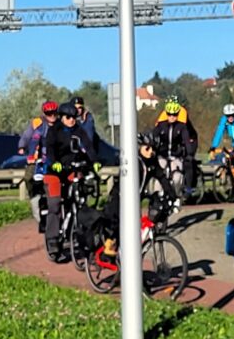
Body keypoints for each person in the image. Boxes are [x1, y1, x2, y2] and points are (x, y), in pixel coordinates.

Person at [101, 133, 178, 257]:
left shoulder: (152, 163)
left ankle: (125, 256)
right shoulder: (134, 161)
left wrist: (173, 196)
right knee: (118, 223)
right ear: (141, 147)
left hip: (136, 199)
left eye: (153, 149)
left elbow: (162, 178)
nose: (150, 152)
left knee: (135, 229)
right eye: (147, 148)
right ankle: (109, 245)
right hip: (121, 196)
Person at [43, 102, 98, 258]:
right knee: (54, 204)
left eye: (74, 117)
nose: (72, 120)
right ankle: (53, 239)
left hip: (71, 169)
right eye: (68, 117)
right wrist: (54, 163)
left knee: (80, 198)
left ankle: (80, 230)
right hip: (54, 171)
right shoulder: (54, 131)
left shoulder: (78, 130)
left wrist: (95, 161)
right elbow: (50, 149)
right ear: (61, 117)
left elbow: (88, 146)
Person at [153, 99, 198, 197]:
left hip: (175, 156)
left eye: (174, 115)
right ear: (166, 114)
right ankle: (156, 199)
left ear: (177, 115)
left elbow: (186, 140)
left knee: (177, 177)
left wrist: (189, 153)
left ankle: (175, 196)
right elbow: (153, 136)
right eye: (169, 114)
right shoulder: (161, 125)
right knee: (159, 178)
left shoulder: (181, 127)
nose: (172, 117)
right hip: (163, 156)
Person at [18, 101, 58, 199]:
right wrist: (22, 146)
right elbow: (27, 135)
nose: (52, 116)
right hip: (36, 157)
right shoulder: (37, 123)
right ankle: (33, 197)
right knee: (29, 178)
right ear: (44, 113)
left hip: (55, 157)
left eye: (54, 113)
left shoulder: (60, 124)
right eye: (49, 113)